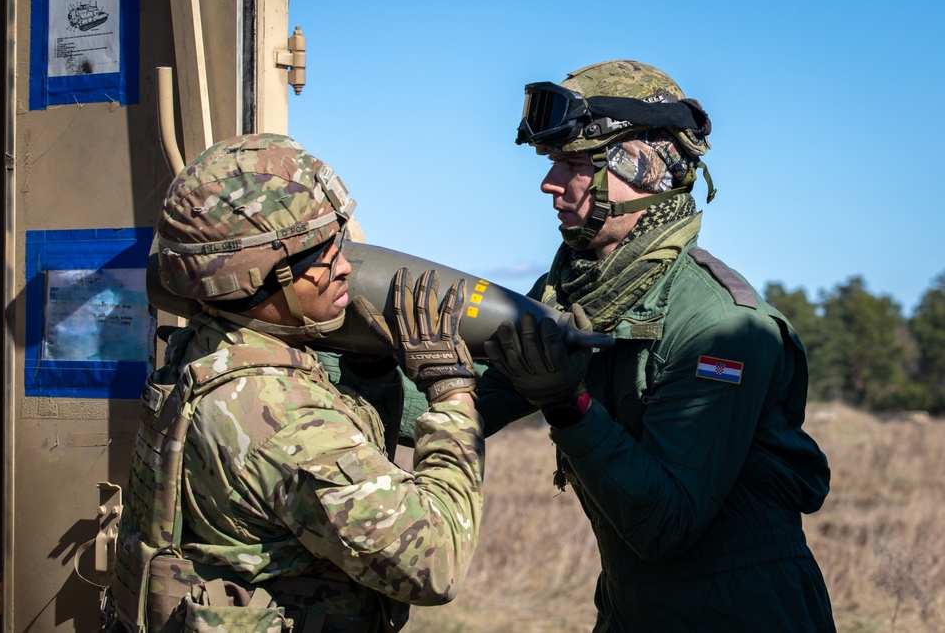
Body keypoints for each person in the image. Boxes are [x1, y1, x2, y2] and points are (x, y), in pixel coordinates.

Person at [479, 60, 836, 631]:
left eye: (573, 164)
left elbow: (666, 525)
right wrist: (376, 356)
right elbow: (462, 402)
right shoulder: (572, 294)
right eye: (554, 164)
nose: (549, 184)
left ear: (646, 171)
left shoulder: (720, 324)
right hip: (632, 609)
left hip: (742, 613)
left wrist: (566, 406)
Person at [104, 133, 484, 633]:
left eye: (338, 244)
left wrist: (369, 374)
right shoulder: (283, 418)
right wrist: (452, 393)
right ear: (255, 277)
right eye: (320, 257)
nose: (344, 266)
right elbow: (435, 563)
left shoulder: (209, 347)